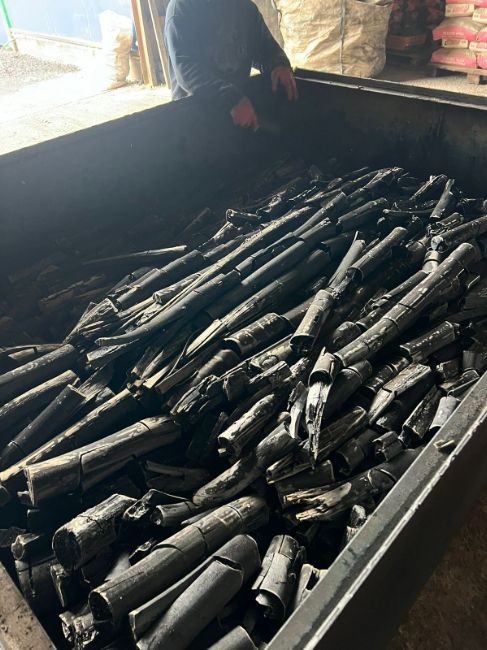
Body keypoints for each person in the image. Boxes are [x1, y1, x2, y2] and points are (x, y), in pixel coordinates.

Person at [164, 0, 297, 130]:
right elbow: (186, 69)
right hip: (194, 119)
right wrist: (231, 99)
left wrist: (279, 65)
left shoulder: (245, 8)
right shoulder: (181, 9)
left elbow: (266, 48)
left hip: (239, 112)